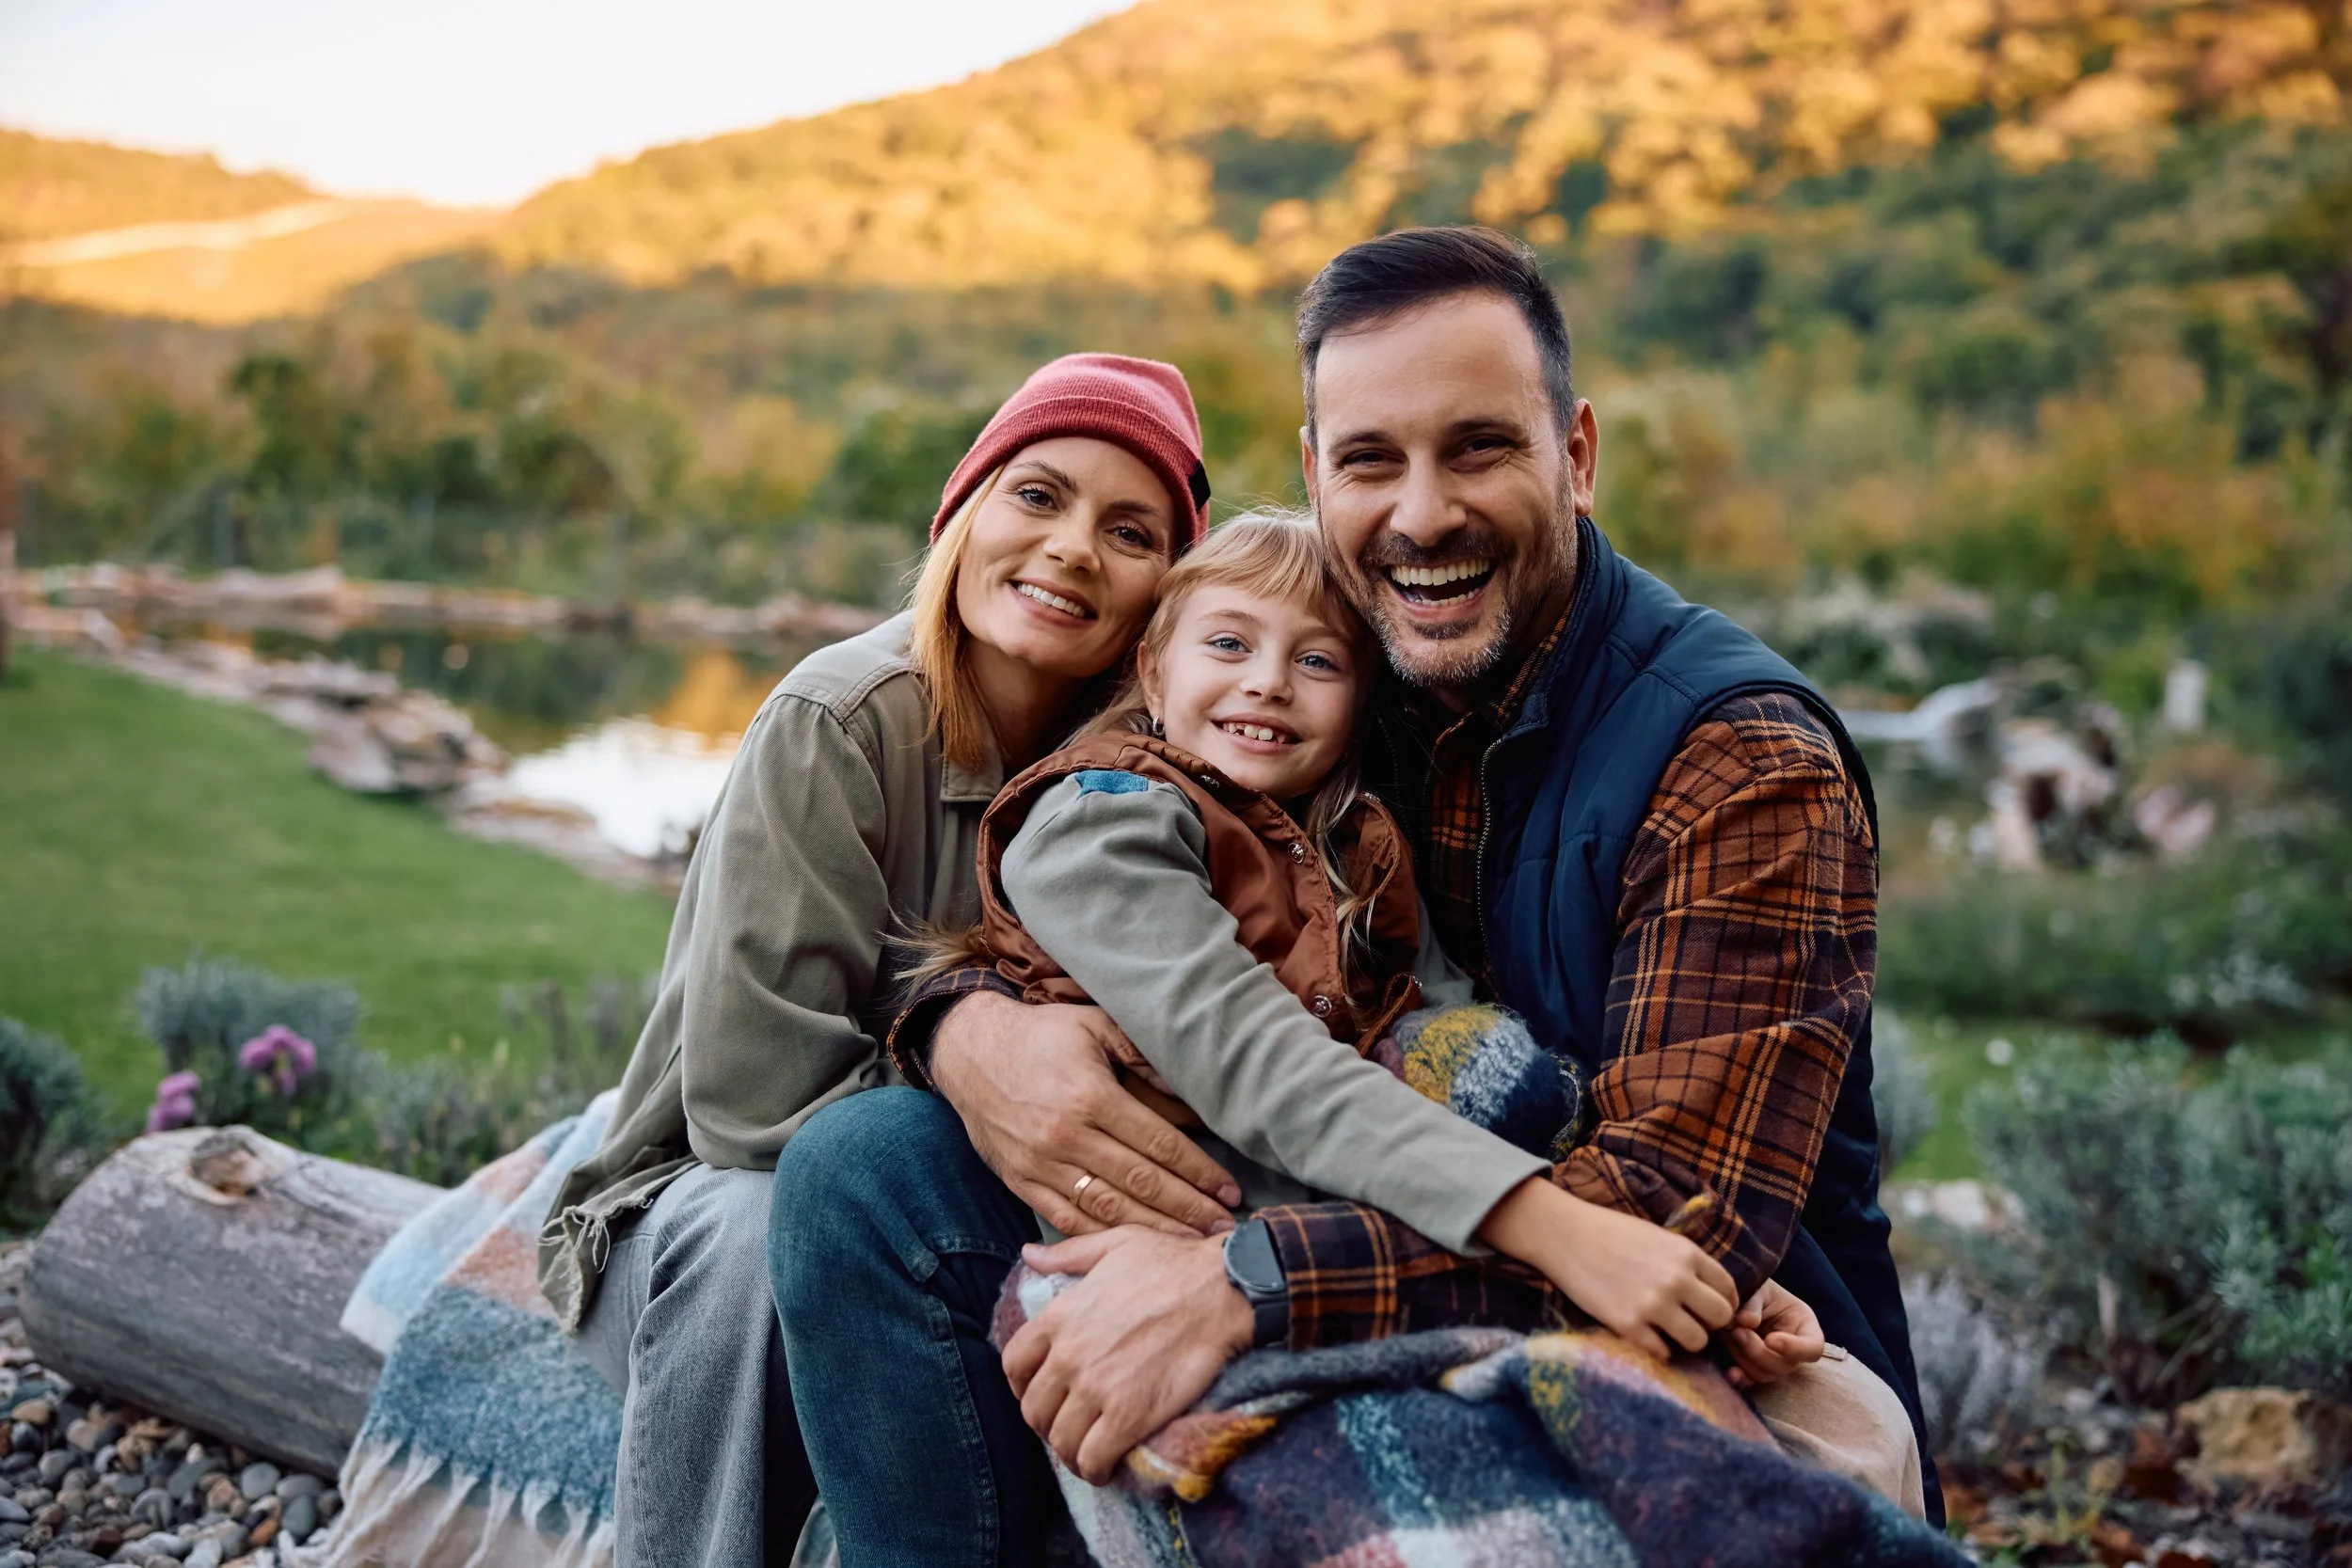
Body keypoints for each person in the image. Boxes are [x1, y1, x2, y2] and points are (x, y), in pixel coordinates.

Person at [775, 222, 1935, 1563]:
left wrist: (1246, 1282)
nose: (1423, 514)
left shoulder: (1742, 766)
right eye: (1372, 460)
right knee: (868, 1170)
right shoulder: (1333, 682)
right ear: (1316, 471)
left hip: (1666, 1326)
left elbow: (1667, 1219)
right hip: (1360, 1200)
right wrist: (966, 1029)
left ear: (1577, 455)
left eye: (1479, 448)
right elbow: (1133, 915)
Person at [533, 352, 1230, 1568]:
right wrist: (990, 1083)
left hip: (957, 1219)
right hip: (699, 1202)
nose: (1072, 548)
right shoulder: (839, 723)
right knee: (761, 1221)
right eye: (1038, 495)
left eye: (1131, 532)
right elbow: (750, 1107)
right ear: (964, 513)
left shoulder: (1155, 774)